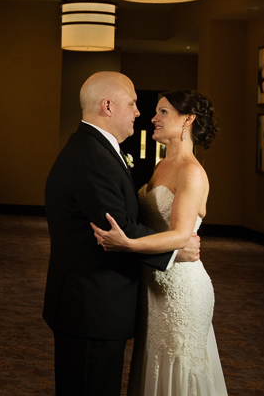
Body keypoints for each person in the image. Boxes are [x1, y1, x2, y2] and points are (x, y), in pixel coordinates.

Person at [44, 72, 200, 396]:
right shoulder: (92, 157)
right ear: (108, 106)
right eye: (132, 103)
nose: (139, 112)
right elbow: (119, 229)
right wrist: (176, 250)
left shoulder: (92, 148)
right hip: (91, 306)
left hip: (87, 302)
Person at [92, 90, 228, 396]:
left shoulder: (191, 171)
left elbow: (181, 235)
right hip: (153, 285)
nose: (153, 118)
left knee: (177, 370)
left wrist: (127, 244)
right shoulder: (160, 166)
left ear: (188, 120)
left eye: (163, 112)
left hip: (182, 288)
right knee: (153, 365)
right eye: (156, 112)